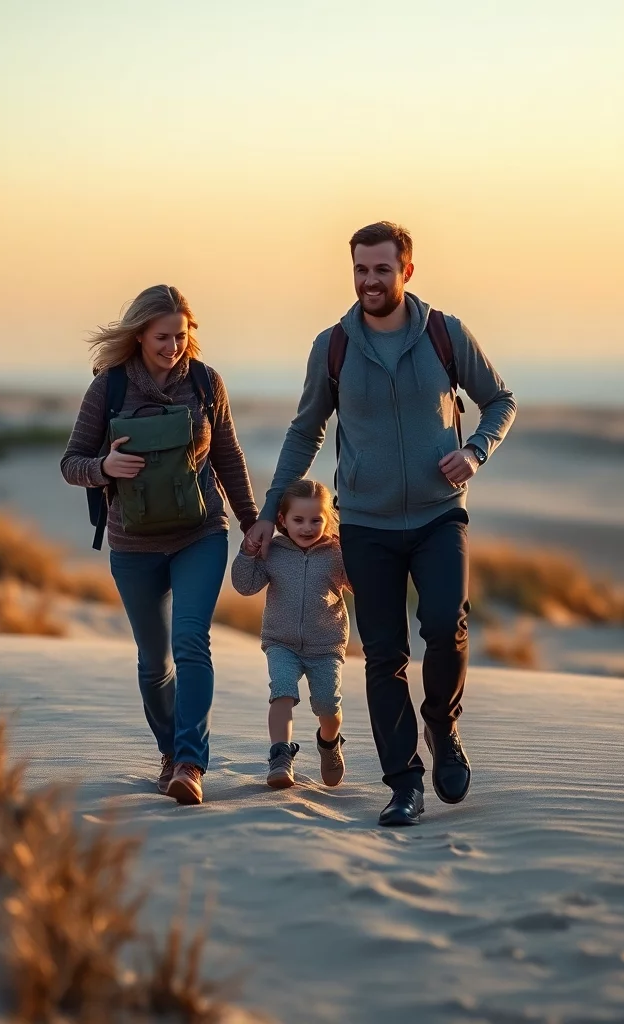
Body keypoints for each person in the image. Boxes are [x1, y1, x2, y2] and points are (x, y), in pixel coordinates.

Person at [245, 223, 517, 826]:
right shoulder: (334, 346)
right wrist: (269, 513)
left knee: (445, 624)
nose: (370, 281)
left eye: (382, 270)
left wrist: (475, 451)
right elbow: (305, 431)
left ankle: (443, 728)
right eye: (360, 271)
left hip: (439, 514)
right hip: (365, 525)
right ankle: (404, 783)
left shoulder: (445, 334)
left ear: (407, 272)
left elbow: (500, 400)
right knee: (383, 654)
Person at [61, 284, 259, 807]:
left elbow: (230, 461)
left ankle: (191, 764)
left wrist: (252, 522)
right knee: (154, 659)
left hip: (200, 534)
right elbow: (70, 463)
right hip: (133, 545)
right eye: (162, 337)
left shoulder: (206, 383)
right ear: (139, 335)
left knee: (193, 641)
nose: (173, 347)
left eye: (181, 336)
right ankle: (170, 753)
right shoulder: (108, 390)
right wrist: (103, 467)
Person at [231, 479, 351, 790]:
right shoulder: (275, 551)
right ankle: (280, 756)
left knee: (327, 707)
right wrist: (248, 552)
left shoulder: (336, 553)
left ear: (328, 520)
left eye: (316, 520)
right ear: (283, 520)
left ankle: (329, 742)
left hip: (326, 645)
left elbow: (360, 587)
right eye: (298, 520)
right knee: (282, 693)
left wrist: (355, 550)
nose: (307, 527)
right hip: (281, 643)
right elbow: (245, 586)